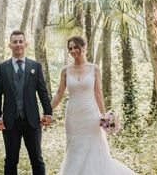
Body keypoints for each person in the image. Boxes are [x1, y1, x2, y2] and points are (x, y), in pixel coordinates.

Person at [50, 36, 137, 175]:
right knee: (74, 148)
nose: (73, 51)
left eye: (75, 47)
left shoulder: (94, 69)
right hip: (73, 117)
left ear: (83, 48)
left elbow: (98, 93)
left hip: (90, 114)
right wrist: (48, 111)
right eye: (70, 48)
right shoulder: (65, 71)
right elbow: (59, 93)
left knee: (94, 148)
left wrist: (105, 116)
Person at [0, 29, 53, 175]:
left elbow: (43, 91)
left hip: (32, 121)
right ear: (10, 45)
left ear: (25, 44)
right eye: (15, 42)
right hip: (10, 122)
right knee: (11, 160)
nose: (18, 44)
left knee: (37, 159)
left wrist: (48, 113)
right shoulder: (2, 68)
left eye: (20, 41)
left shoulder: (35, 66)